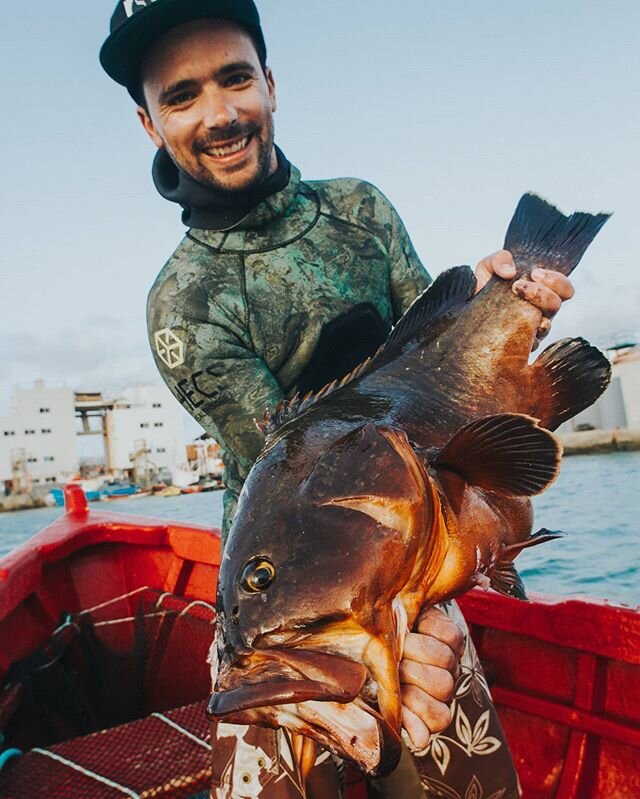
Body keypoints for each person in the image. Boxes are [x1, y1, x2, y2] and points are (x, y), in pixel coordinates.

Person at [99, 2, 574, 797]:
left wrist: (498, 308)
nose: (219, 113)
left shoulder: (362, 209)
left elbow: (437, 347)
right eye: (181, 96)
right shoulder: (181, 304)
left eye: (235, 77)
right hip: (280, 588)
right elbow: (285, 470)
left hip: (426, 526)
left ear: (271, 84)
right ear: (150, 124)